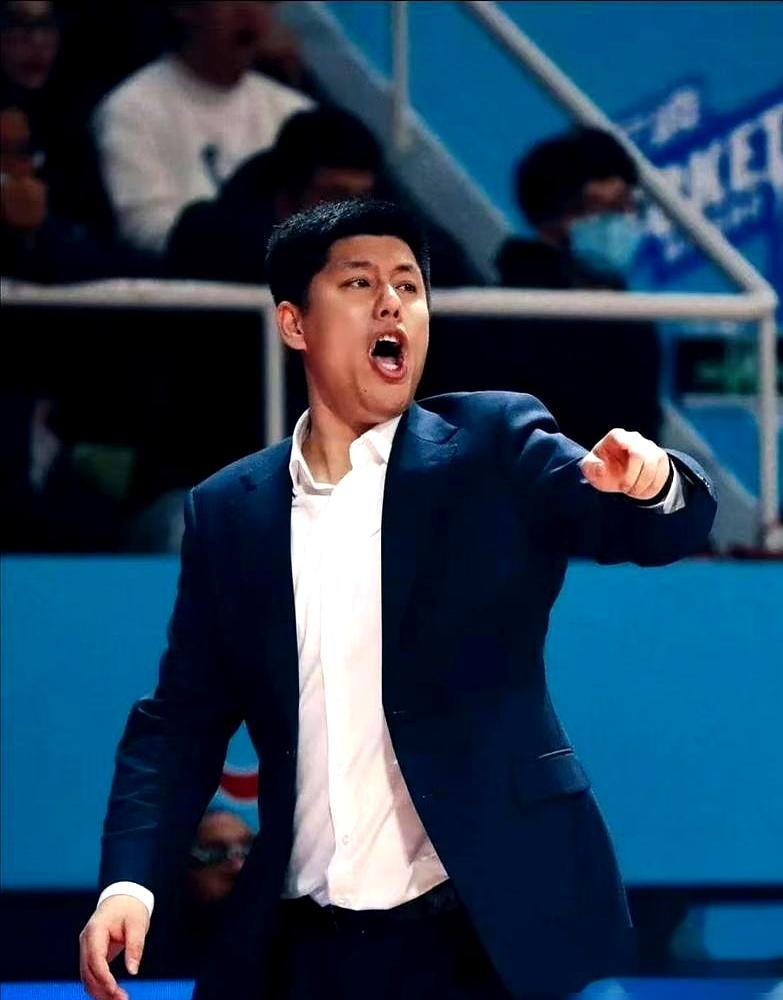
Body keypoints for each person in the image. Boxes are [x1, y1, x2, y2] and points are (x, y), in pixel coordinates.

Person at [79, 198, 716, 1000]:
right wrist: (129, 882)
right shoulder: (229, 510)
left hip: (483, 934)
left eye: (408, 286)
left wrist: (653, 483)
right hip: (304, 944)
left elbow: (646, 528)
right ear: (294, 324)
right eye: (359, 283)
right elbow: (180, 721)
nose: (391, 303)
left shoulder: (493, 444)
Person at [92, 0, 312, 256]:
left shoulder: (295, 111)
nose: (248, 10)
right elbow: (142, 228)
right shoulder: (131, 109)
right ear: (184, 8)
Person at [494, 127, 662, 450]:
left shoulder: (633, 320)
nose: (615, 223)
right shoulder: (504, 313)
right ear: (551, 216)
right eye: (597, 208)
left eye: (623, 207)